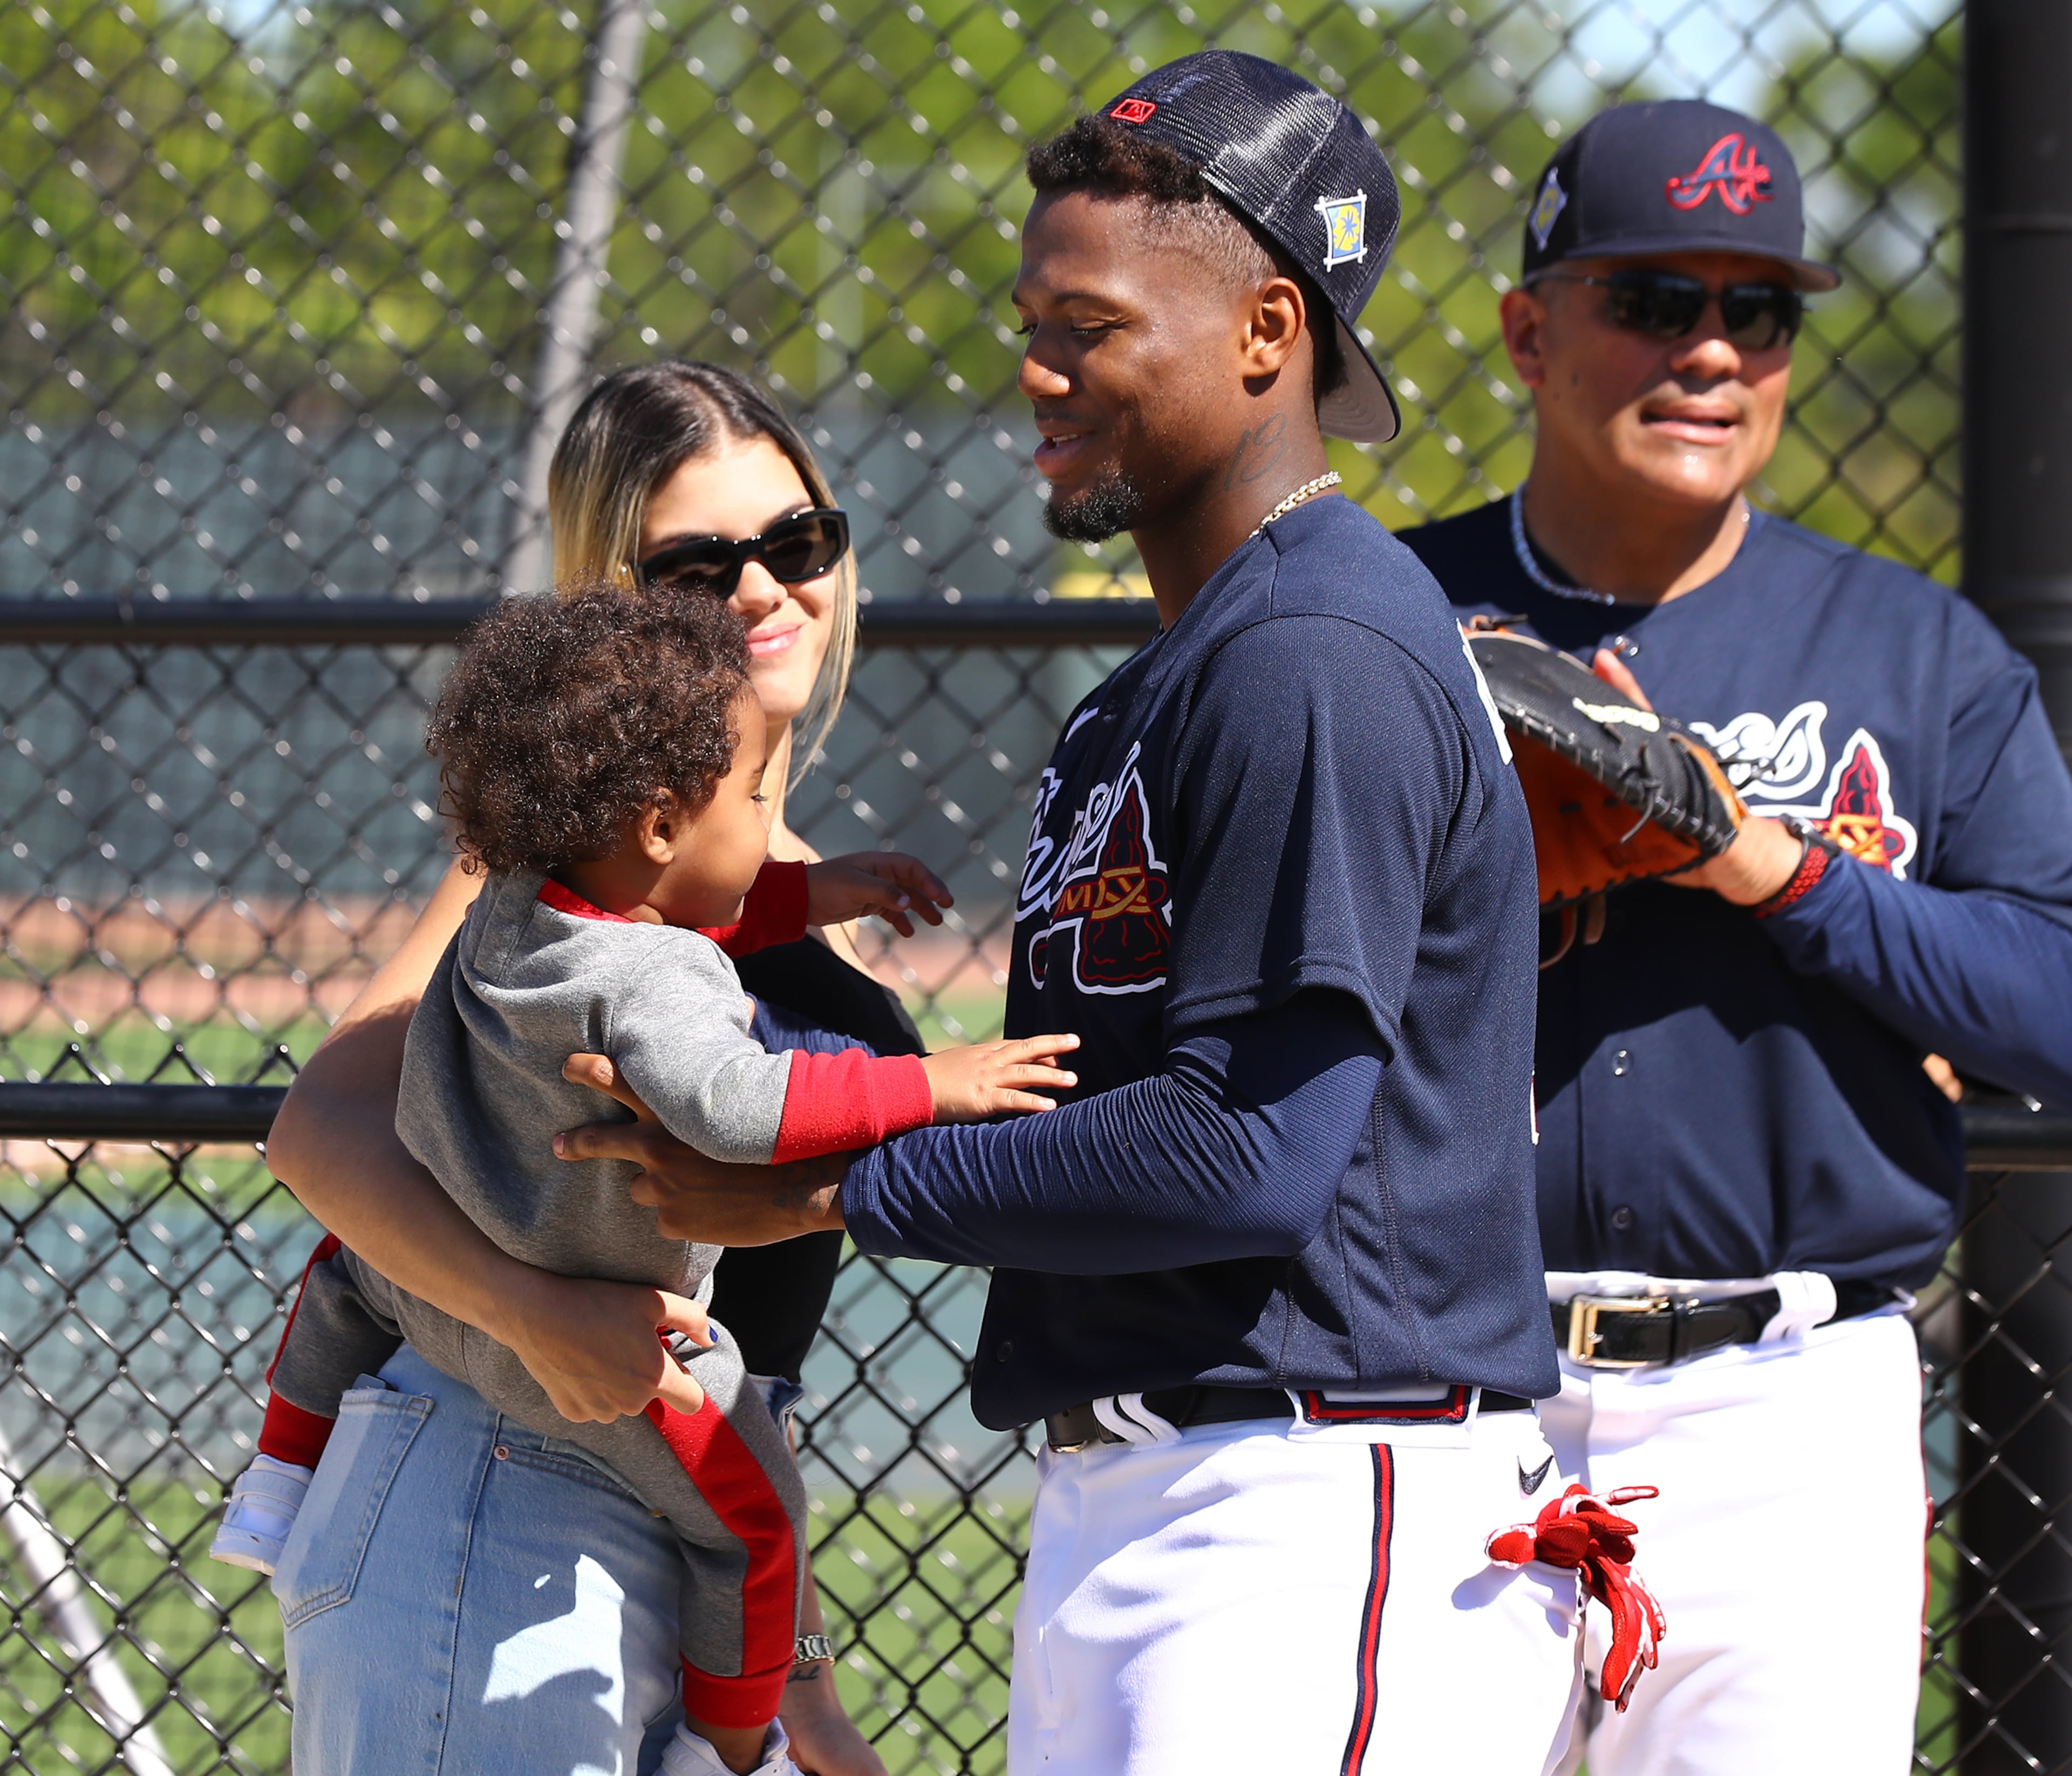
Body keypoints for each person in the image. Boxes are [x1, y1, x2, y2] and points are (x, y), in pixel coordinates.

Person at [555, 53, 1623, 1776]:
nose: (1036, 370)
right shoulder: (1163, 685)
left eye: (1091, 324)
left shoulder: (1313, 653)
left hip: (1307, 1501)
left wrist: (817, 1179)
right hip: (1172, 1497)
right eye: (1032, 315)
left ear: (1268, 332)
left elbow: (1250, 1152)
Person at [1398, 98, 2072, 1774]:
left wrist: (1765, 865)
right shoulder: (1382, 622)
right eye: (1652, 299)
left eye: (1755, 309)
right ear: (1528, 330)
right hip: (1439, 1385)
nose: (1711, 349)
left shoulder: (1921, 655)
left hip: (1789, 1411)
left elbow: (2056, 1005)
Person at [263, 363, 905, 1776]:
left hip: (685, 1511)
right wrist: (529, 1308)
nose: (763, 592)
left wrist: (799, 1675)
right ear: (610, 590)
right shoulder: (566, 878)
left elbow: (760, 1365)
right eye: (698, 566)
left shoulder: (789, 878)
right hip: (504, 1482)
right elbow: (320, 1124)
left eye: (796, 545)